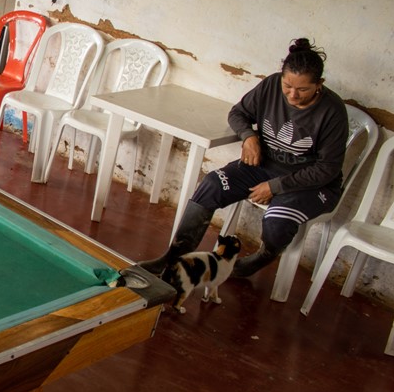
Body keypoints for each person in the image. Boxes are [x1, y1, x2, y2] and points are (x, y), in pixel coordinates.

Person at [140, 38, 349, 278]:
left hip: (310, 184)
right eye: (287, 86)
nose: (293, 95)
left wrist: (276, 186)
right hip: (264, 167)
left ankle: (264, 256)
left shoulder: (332, 111)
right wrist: (249, 136)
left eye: (302, 89)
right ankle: (172, 258)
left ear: (319, 84)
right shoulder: (270, 85)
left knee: (278, 221)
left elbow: (327, 169)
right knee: (211, 184)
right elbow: (238, 113)